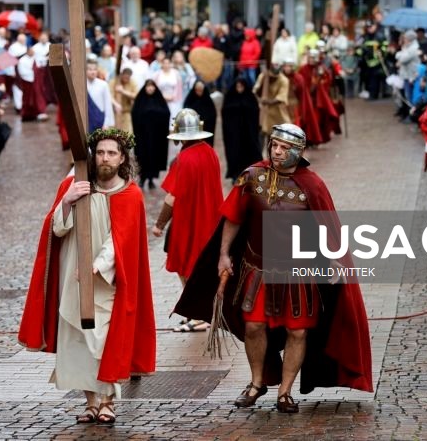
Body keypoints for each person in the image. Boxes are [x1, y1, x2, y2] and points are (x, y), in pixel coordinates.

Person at [174, 123, 373, 412]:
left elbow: (324, 227)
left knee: (299, 332)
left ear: (299, 152)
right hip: (258, 271)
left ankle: (285, 391)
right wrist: (223, 254)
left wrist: (333, 259)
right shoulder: (252, 176)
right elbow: (233, 217)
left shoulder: (312, 185)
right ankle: (256, 383)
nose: (277, 152)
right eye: (274, 145)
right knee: (253, 326)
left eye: (284, 148)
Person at [18, 127, 156, 425]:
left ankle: (107, 401)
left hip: (107, 281)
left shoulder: (129, 194)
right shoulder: (75, 184)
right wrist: (67, 201)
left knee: (103, 339)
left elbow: (122, 240)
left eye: (112, 153)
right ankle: (91, 402)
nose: (105, 158)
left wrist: (98, 265)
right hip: (72, 274)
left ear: (122, 159)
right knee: (77, 340)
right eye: (101, 153)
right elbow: (56, 228)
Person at [152, 109, 223, 332]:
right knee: (199, 267)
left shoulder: (183, 159)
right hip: (210, 219)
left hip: (188, 220)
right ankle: (196, 311)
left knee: (188, 266)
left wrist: (159, 224)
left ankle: (200, 315)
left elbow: (172, 198)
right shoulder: (210, 152)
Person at [132, 80, 170, 189]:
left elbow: (166, 113)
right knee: (143, 156)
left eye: (152, 86)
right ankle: (143, 178)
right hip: (142, 136)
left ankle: (151, 179)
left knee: (154, 156)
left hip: (156, 137)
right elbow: (135, 113)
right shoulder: (140, 100)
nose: (150, 88)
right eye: (148, 86)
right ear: (145, 88)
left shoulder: (159, 100)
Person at [222, 77, 262, 181]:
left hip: (248, 134)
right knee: (235, 153)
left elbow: (255, 112)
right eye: (238, 87)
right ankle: (236, 175)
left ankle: (251, 174)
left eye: (241, 87)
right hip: (234, 135)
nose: (239, 89)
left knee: (250, 153)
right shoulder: (230, 98)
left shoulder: (250, 98)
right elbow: (225, 113)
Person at [183, 80, 217, 147]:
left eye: (201, 90)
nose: (199, 92)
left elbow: (212, 115)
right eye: (197, 90)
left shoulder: (208, 101)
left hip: (206, 134)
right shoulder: (189, 100)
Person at [86, 60, 115, 133]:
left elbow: (107, 104)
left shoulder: (103, 84)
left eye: (95, 69)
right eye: (90, 69)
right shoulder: (83, 85)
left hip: (100, 119)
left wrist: (106, 123)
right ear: (85, 70)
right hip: (87, 119)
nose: (93, 72)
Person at [109, 68, 138, 133]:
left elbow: (136, 96)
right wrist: (115, 104)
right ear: (121, 75)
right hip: (113, 112)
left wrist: (123, 91)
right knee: (112, 133)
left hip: (126, 112)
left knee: (127, 134)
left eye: (128, 78)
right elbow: (109, 96)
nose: (126, 79)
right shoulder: (113, 82)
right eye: (125, 77)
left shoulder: (132, 82)